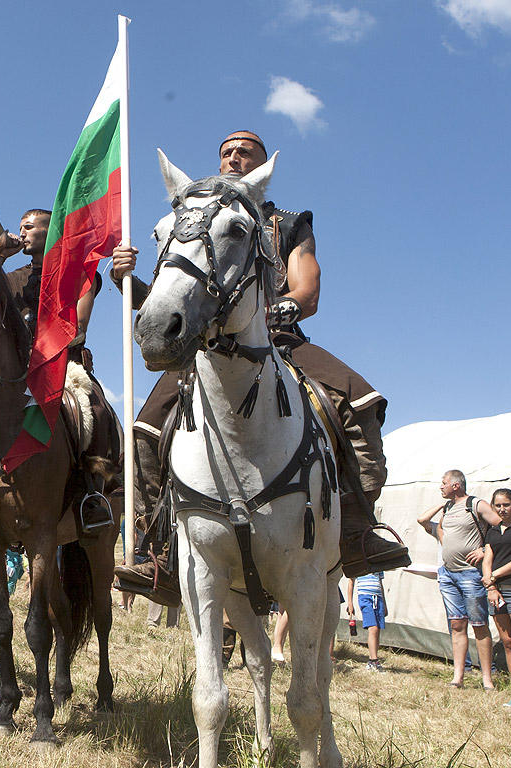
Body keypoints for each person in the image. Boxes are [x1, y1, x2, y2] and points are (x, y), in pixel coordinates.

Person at [111, 130, 410, 603]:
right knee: (146, 430)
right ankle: (160, 550)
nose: (233, 156)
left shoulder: (288, 222)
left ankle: (355, 530)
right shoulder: (195, 217)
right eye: (226, 150)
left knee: (360, 401)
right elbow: (176, 301)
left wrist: (270, 312)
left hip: (277, 336)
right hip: (207, 344)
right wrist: (126, 280)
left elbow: (306, 290)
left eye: (244, 150)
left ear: (260, 166)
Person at [0, 208, 122, 535]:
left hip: (63, 366)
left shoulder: (79, 275)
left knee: (95, 412)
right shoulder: (9, 279)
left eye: (29, 226)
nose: (23, 231)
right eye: (19, 227)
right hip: (14, 373)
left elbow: (79, 325)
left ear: (52, 231)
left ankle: (90, 493)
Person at [418, 469, 500, 688]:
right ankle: (458, 677)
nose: (440, 486)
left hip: (471, 574)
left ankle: (486, 678)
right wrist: (441, 506)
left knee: (479, 625)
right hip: (448, 574)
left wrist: (484, 549)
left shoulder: (476, 504)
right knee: (456, 624)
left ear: (456, 485)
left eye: (443, 483)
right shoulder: (448, 508)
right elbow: (430, 525)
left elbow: (500, 526)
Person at [481, 488, 511, 708]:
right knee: (509, 643)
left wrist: (494, 576)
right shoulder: (492, 531)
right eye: (498, 505)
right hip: (496, 591)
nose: (502, 509)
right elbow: (487, 558)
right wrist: (490, 584)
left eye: (506, 505)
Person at [347, 572, 387, 672]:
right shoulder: (360, 564)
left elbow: (380, 583)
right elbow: (351, 582)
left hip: (378, 598)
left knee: (377, 629)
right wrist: (350, 604)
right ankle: (373, 661)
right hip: (365, 597)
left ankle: (373, 658)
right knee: (373, 628)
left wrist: (384, 604)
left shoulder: (378, 564)